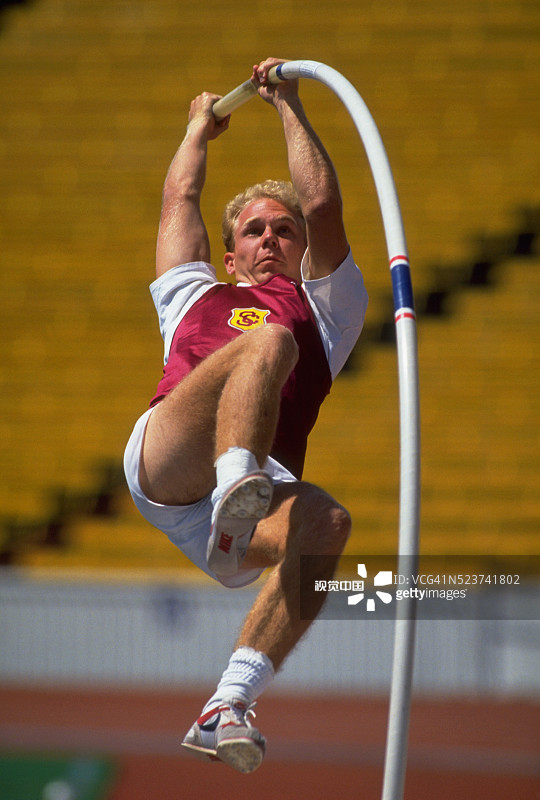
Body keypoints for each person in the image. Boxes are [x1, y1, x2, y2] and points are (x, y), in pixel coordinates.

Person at [123, 57, 368, 774]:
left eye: (283, 231)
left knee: (327, 525)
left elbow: (323, 207)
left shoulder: (329, 312)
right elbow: (179, 199)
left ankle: (226, 704)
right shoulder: (191, 295)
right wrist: (199, 129)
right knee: (265, 342)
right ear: (230, 257)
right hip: (173, 461)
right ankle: (236, 484)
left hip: (247, 505)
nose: (270, 238)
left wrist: (288, 104)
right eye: (255, 231)